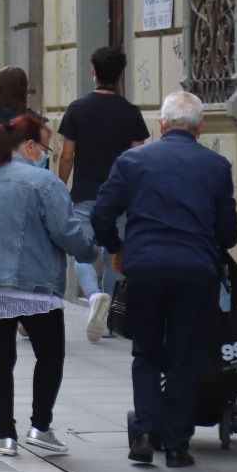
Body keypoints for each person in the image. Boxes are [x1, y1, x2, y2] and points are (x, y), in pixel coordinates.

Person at [93, 91, 237, 469]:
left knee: (146, 351)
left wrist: (116, 247)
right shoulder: (216, 166)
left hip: (145, 268)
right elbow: (229, 232)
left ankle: (145, 433)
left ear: (161, 123)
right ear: (200, 128)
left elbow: (102, 213)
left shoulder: (133, 161)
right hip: (195, 271)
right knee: (185, 356)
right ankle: (176, 445)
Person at [0, 113, 96, 458]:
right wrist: (90, 249)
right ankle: (40, 425)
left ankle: (5, 435)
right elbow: (67, 232)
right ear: (30, 146)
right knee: (50, 354)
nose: (48, 153)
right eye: (46, 146)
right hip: (36, 283)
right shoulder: (44, 183)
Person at [58, 46, 149, 341]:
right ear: (121, 74)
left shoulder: (77, 109)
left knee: (82, 250)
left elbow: (67, 154)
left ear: (93, 71)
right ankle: (107, 316)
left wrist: (61, 184)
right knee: (116, 250)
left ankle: (94, 296)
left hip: (85, 192)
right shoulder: (130, 112)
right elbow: (139, 155)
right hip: (121, 195)